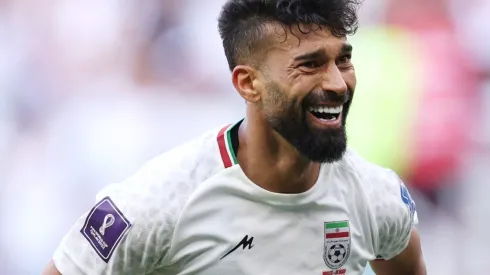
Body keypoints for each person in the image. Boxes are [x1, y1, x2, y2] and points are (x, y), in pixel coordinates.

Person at [42, 0, 426, 274]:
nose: (338, 83)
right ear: (248, 83)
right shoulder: (159, 204)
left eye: (343, 59)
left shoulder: (377, 197)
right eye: (310, 65)